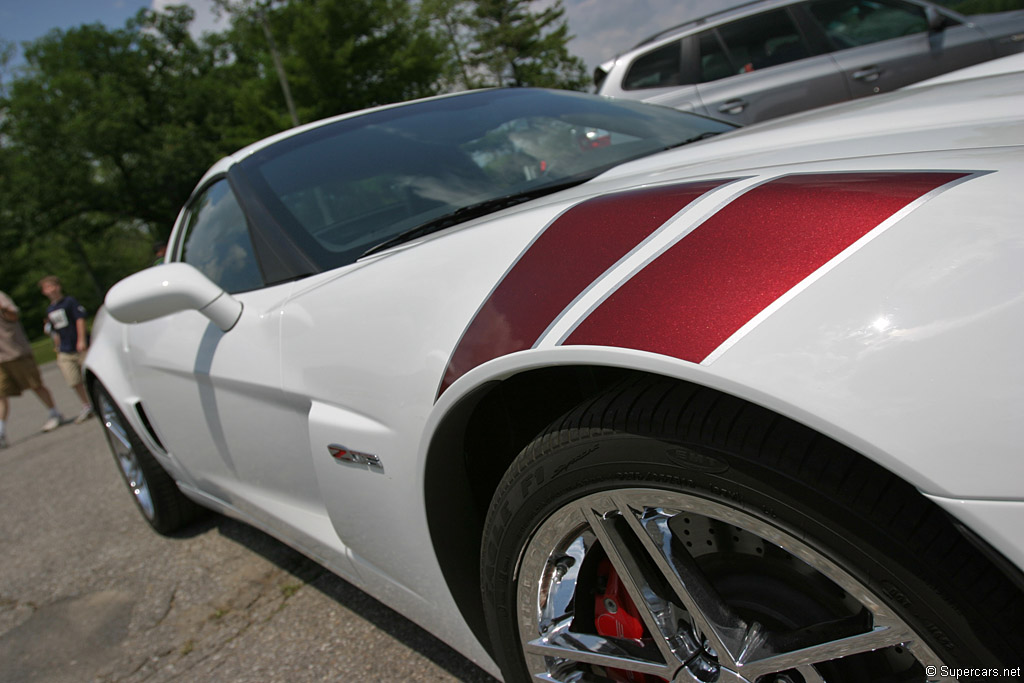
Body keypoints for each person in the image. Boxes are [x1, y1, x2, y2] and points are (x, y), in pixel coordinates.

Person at [0, 290, 65, 448]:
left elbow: (14, 315)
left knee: (35, 385)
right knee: (1, 395)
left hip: (15, 352)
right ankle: (1, 432)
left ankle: (54, 413)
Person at [38, 276, 93, 424]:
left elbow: (79, 319)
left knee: (89, 376)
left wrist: (81, 340)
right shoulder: (50, 309)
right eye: (47, 288)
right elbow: (55, 330)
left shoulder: (69, 302)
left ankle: (97, 399)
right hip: (65, 348)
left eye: (52, 286)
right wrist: (57, 346)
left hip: (79, 345)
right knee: (73, 380)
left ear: (58, 286)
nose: (51, 290)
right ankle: (87, 405)